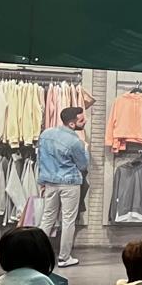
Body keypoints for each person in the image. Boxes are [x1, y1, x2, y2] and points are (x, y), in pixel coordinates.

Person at [36, 105, 89, 268]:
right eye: (81, 119)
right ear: (72, 124)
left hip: (50, 182)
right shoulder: (75, 142)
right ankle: (64, 257)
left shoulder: (45, 134)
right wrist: (85, 151)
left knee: (47, 218)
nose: (85, 121)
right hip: (69, 183)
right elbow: (83, 165)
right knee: (68, 221)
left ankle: (37, 254)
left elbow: (40, 158)